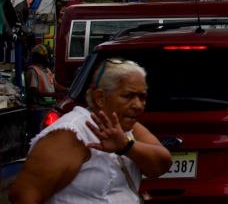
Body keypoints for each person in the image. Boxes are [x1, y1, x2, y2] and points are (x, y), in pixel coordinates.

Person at [10, 58, 172, 203]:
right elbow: (23, 195)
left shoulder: (127, 126)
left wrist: (126, 146)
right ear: (100, 98)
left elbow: (162, 164)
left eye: (142, 97)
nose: (138, 105)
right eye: (128, 96)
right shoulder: (70, 134)